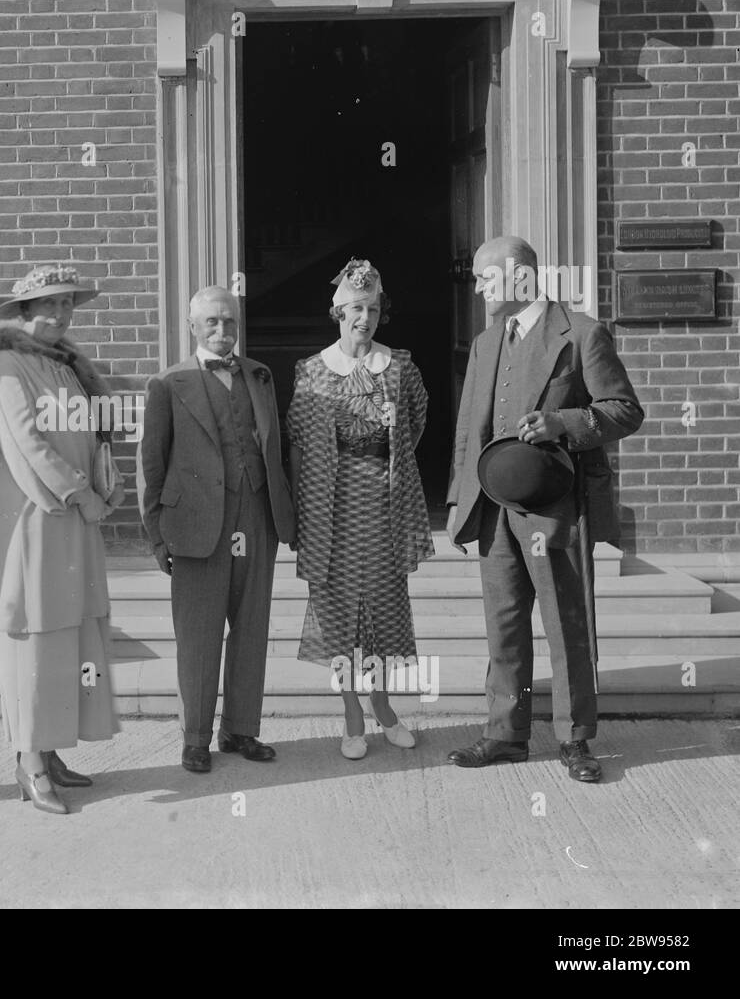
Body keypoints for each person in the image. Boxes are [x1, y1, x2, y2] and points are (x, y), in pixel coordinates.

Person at [446, 235, 643, 783]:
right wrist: (461, 503)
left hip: (557, 508)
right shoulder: (486, 343)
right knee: (504, 624)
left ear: (521, 278)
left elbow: (625, 411)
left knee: (566, 623)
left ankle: (575, 740)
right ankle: (506, 734)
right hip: (494, 509)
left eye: (487, 277)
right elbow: (468, 430)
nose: (479, 287)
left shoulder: (581, 334)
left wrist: (565, 423)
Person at [0, 264, 122, 815]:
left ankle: (49, 752)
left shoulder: (66, 368)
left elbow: (86, 433)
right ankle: (28, 764)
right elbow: (28, 445)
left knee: (65, 636)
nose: (59, 315)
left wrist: (104, 476)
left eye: (67, 305)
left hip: (70, 522)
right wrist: (80, 493)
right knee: (33, 634)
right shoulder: (6, 365)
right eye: (48, 305)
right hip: (30, 521)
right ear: (23, 312)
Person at [138, 286, 295, 774]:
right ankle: (195, 738)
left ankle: (241, 729)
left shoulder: (260, 376)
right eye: (211, 323)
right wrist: (156, 535)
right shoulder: (167, 383)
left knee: (251, 627)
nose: (223, 331)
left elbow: (276, 447)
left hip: (256, 514)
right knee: (199, 634)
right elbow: (152, 463)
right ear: (192, 327)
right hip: (195, 522)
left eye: (229, 322)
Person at [287, 259, 434, 758]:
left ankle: (385, 706)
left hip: (385, 506)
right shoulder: (311, 372)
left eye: (372, 309)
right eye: (354, 308)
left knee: (383, 609)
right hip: (332, 508)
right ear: (337, 311)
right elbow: (299, 440)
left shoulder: (400, 367)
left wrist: (391, 433)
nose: (363, 318)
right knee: (340, 612)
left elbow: (416, 425)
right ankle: (352, 713)